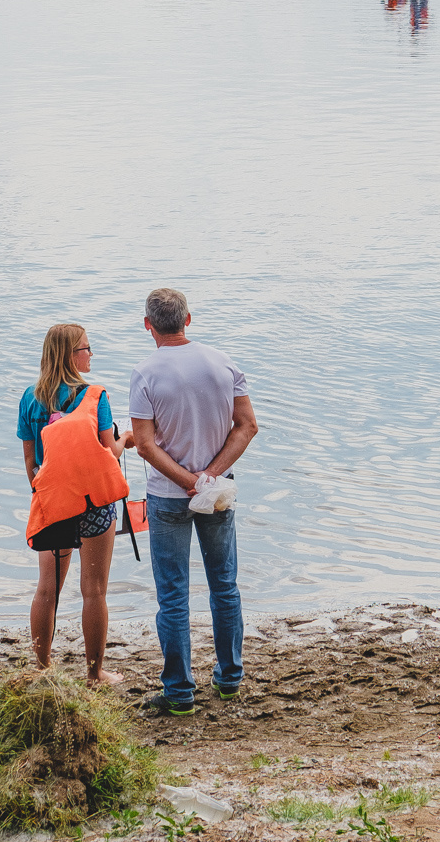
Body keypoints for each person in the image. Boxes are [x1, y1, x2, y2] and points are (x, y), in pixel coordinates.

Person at [130, 288, 259, 717]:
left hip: (168, 495)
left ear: (148, 325)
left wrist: (189, 481)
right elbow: (247, 426)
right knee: (224, 584)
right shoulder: (223, 362)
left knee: (173, 594)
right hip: (218, 491)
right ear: (189, 319)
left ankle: (180, 692)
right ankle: (229, 678)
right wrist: (209, 477)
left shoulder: (145, 373)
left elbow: (145, 446)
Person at [18, 323, 126, 687]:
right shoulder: (95, 395)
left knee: (47, 588)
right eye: (86, 348)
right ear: (69, 355)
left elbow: (31, 462)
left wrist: (47, 493)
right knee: (93, 589)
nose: (90, 354)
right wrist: (124, 438)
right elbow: (108, 451)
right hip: (93, 504)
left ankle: (43, 670)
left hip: (52, 502)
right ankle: (95, 673)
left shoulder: (30, 398)